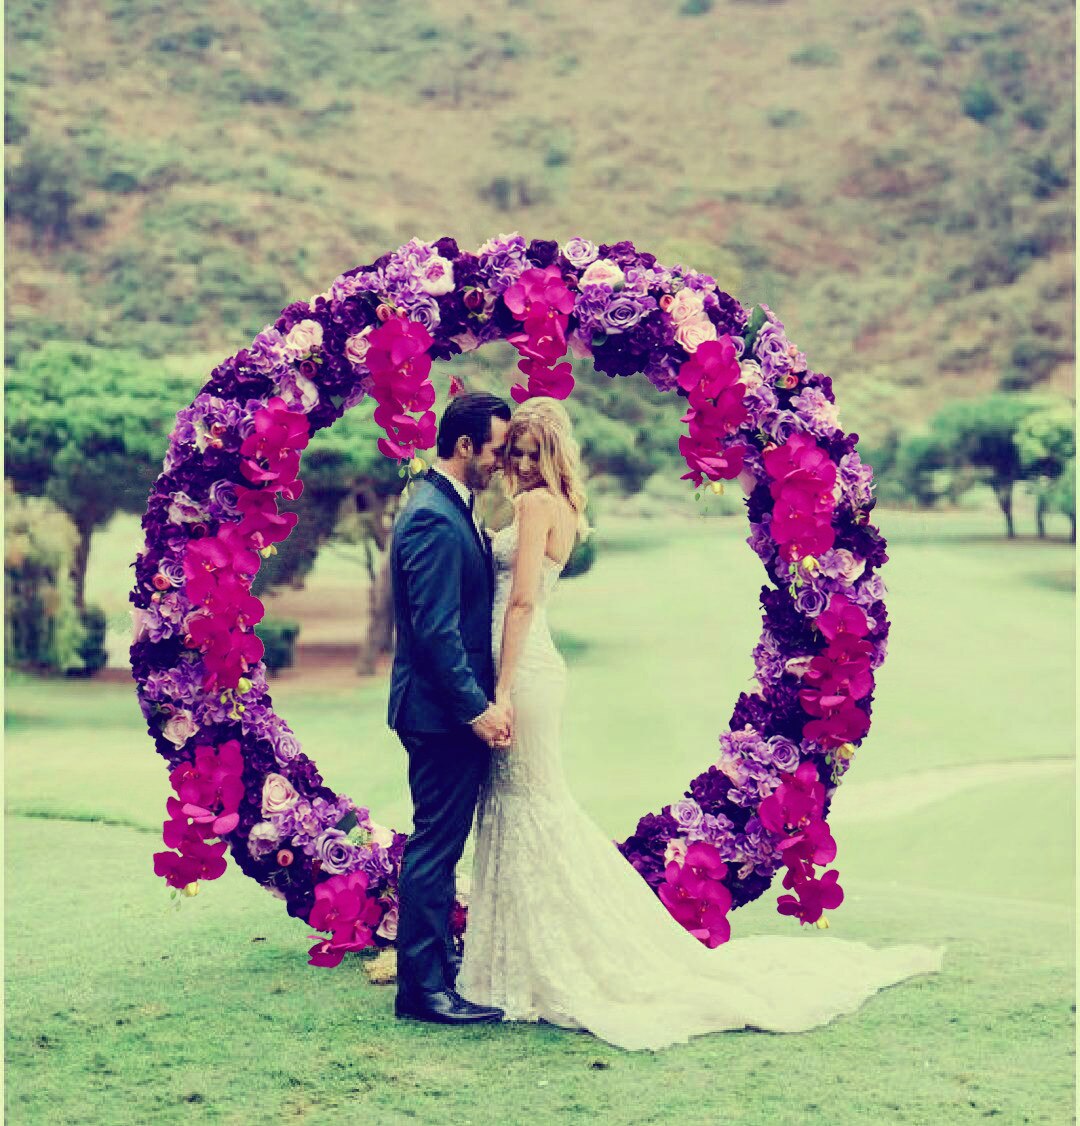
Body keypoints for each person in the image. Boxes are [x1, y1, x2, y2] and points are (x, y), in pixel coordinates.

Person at [456, 396, 944, 1051]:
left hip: (521, 669)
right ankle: (515, 958)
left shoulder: (533, 505)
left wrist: (502, 689)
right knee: (524, 804)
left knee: (531, 807)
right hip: (537, 665)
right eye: (510, 451)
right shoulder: (569, 509)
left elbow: (518, 603)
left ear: (547, 455)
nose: (515, 463)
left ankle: (542, 960)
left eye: (524, 451)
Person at [388, 391, 515, 1025]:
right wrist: (476, 711)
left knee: (438, 845)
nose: (501, 461)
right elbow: (434, 631)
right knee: (435, 849)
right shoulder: (434, 518)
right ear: (463, 447)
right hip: (440, 717)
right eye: (495, 450)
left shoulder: (453, 507)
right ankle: (423, 992)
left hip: (444, 713)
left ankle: (433, 979)